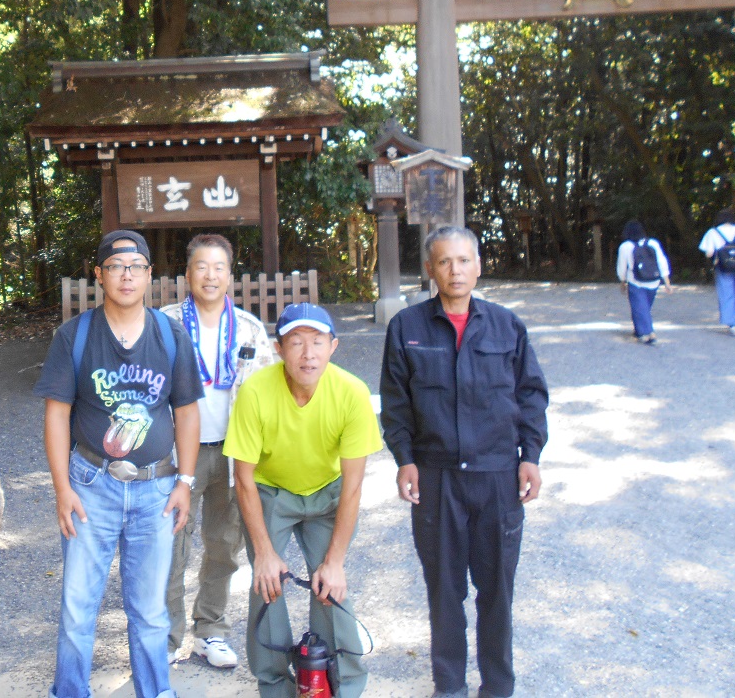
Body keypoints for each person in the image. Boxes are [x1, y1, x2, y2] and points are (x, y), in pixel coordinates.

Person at [379, 226, 548, 698]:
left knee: (496, 590)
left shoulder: (507, 326)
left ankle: (498, 686)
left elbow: (531, 396)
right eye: (444, 261)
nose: (455, 270)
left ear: (478, 266)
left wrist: (531, 456)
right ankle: (449, 684)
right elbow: (395, 403)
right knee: (444, 590)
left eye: (463, 260)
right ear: (429, 269)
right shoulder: (407, 328)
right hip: (436, 478)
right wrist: (405, 459)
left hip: (497, 476)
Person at [34, 229, 204, 698]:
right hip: (90, 486)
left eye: (135, 267)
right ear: (99, 274)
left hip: (156, 489)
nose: (126, 275)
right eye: (115, 267)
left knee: (149, 610)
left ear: (149, 275)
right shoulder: (75, 336)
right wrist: (62, 489)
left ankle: (156, 691)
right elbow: (56, 414)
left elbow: (187, 411)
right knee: (78, 606)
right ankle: (70, 691)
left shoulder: (170, 335)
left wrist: (185, 481)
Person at [224, 303, 382, 698]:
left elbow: (353, 486)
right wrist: (264, 553)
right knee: (267, 582)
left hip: (327, 491)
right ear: (279, 348)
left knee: (330, 585)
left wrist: (335, 562)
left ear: (334, 346)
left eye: (317, 342)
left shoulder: (352, 393)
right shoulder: (255, 391)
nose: (308, 354)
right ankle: (275, 684)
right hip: (271, 490)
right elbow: (243, 478)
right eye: (296, 342)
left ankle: (343, 684)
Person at [160, 233, 277, 669]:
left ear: (230, 275)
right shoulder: (164, 324)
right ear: (187, 273)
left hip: (233, 454)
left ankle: (210, 629)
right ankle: (166, 636)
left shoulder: (249, 328)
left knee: (224, 545)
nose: (210, 275)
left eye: (219, 267)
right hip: (176, 454)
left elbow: (267, 393)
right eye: (201, 267)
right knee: (170, 544)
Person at [698, 208, 735, 336]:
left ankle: (731, 322)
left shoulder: (713, 232)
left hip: (723, 266)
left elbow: (709, 253)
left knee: (726, 292)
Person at [615, 220, 672, 344]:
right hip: (653, 281)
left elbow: (622, 266)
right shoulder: (653, 243)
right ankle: (639, 330)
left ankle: (649, 333)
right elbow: (662, 262)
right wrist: (667, 282)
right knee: (643, 307)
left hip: (636, 281)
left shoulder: (625, 246)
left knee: (640, 308)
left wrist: (622, 281)